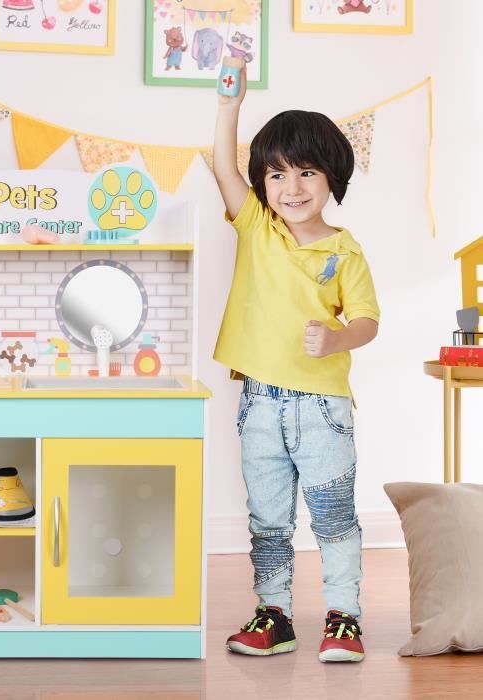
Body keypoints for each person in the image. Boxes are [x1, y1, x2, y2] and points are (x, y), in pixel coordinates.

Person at [212, 67, 380, 663]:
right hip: (260, 401)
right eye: (277, 173)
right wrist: (229, 106)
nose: (292, 186)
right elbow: (223, 169)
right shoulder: (258, 228)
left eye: (307, 171)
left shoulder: (346, 250)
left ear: (331, 177)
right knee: (267, 520)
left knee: (333, 516)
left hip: (323, 409)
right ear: (263, 183)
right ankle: (274, 615)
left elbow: (367, 321)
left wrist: (336, 339)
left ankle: (344, 618)